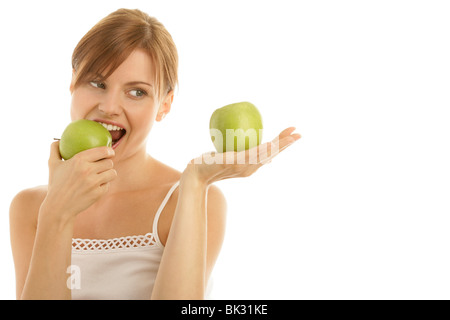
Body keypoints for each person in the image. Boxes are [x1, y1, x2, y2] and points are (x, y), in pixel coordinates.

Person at [9, 8, 301, 300]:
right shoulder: (30, 207)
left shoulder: (196, 201)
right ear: (73, 82)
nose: (109, 106)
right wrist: (57, 214)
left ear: (165, 104)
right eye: (97, 84)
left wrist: (196, 183)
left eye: (137, 92)